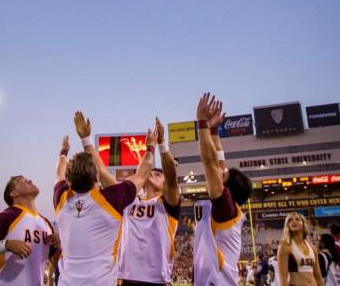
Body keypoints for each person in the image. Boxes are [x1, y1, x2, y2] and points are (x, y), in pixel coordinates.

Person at [74, 111, 181, 285]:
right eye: (152, 171)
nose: (154, 173)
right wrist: (86, 140)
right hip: (125, 277)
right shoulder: (129, 200)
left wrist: (162, 144)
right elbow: (102, 173)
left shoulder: (167, 204)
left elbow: (171, 175)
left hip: (156, 280)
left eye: (158, 174)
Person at [54, 125, 156, 285]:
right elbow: (143, 173)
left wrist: (63, 152)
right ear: (96, 176)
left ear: (68, 179)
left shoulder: (60, 198)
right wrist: (151, 146)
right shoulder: (112, 199)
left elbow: (59, 172)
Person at [193, 93, 253, 286]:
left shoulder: (225, 209)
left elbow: (210, 163)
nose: (220, 172)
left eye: (223, 177)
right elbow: (218, 162)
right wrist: (214, 131)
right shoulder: (228, 208)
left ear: (227, 190)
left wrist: (202, 123)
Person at [0, 175, 57, 285]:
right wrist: (6, 245)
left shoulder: (46, 224)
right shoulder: (8, 216)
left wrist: (61, 242)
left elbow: (57, 262)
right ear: (13, 193)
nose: (30, 180)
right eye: (21, 180)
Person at [277, 212, 324, 286]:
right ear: (287, 225)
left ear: (303, 224)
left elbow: (318, 277)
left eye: (297, 219)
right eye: (290, 220)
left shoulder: (313, 248)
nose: (294, 221)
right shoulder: (285, 246)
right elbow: (283, 278)